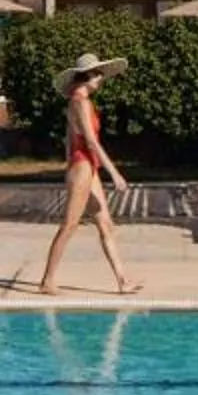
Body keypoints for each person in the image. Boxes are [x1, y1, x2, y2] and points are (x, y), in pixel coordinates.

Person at [33, 51, 140, 296]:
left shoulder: (80, 100)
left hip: (86, 167)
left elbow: (68, 141)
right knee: (70, 225)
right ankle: (47, 281)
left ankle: (123, 281)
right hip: (83, 168)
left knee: (106, 224)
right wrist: (114, 173)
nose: (101, 79)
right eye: (98, 74)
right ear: (86, 76)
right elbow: (90, 142)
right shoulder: (79, 102)